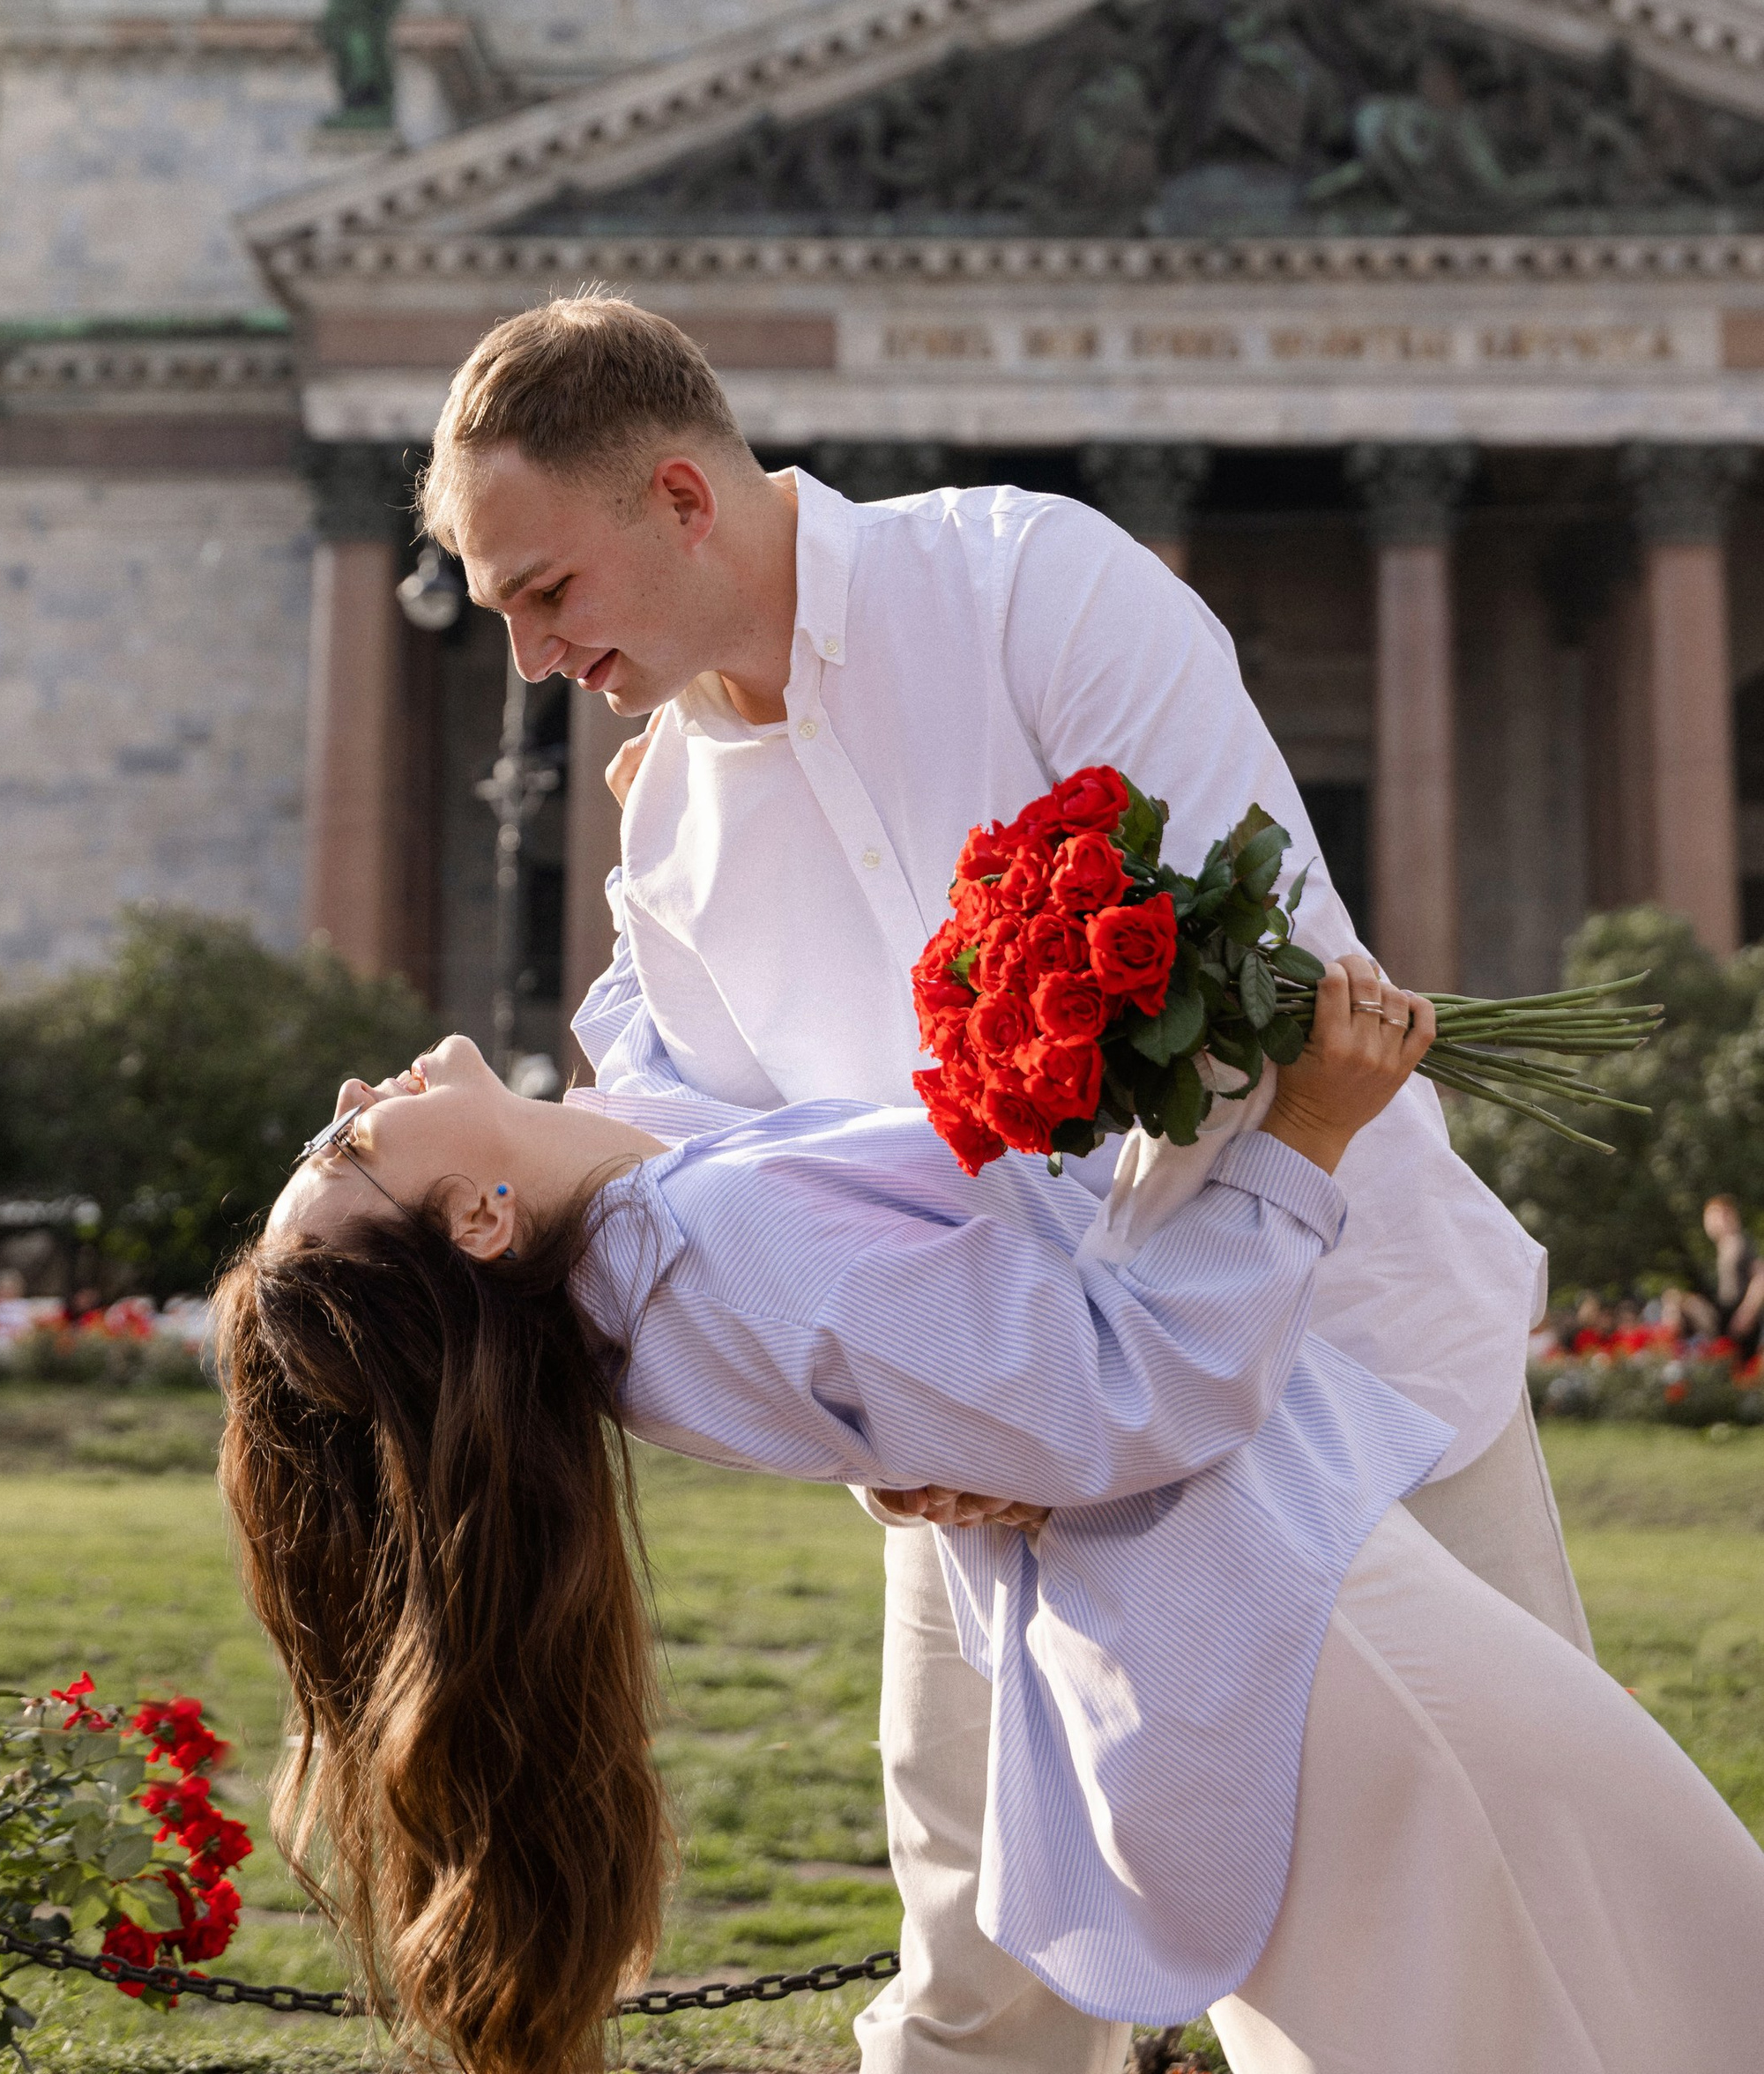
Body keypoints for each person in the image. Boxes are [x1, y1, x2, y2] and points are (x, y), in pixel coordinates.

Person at [417, 294, 1588, 2074]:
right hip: (992, 1489)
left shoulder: (1035, 585)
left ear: (676, 497)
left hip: (1350, 1373)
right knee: (977, 1997)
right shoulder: (661, 829)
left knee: (1495, 1934)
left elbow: (1254, 998)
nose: (523, 655)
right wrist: (901, 1414)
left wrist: (996, 1385)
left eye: (541, 591)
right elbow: (715, 1174)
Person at [220, 1022, 1764, 2074]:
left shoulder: (631, 1256)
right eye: (355, 1142)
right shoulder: (715, 1256)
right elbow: (1133, 1387)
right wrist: (1307, 1129)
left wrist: (674, 810)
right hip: (1311, 1635)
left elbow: (664, 1082)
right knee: (1654, 1975)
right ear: (481, 1217)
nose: (364, 1087)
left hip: (1267, 1621)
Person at [1703, 1191, 1764, 1362]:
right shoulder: (1724, 1247)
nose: (1716, 1222)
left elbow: (1761, 1277)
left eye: (1722, 1215)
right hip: (1727, 1313)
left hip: (1739, 1312)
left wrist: (1747, 1312)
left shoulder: (1739, 1243)